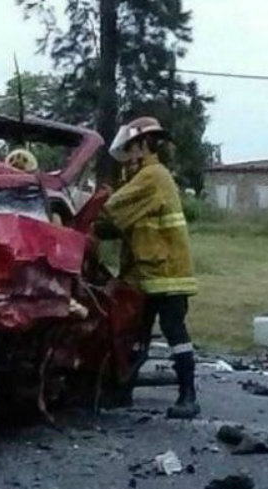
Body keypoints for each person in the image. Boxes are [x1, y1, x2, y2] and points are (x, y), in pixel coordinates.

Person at [100, 116, 200, 419]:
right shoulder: (148, 176)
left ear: (143, 145)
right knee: (136, 333)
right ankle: (122, 393)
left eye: (131, 149)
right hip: (149, 273)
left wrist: (88, 214)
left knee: (173, 331)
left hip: (166, 273)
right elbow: (123, 224)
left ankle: (188, 396)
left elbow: (112, 211)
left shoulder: (152, 176)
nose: (128, 156)